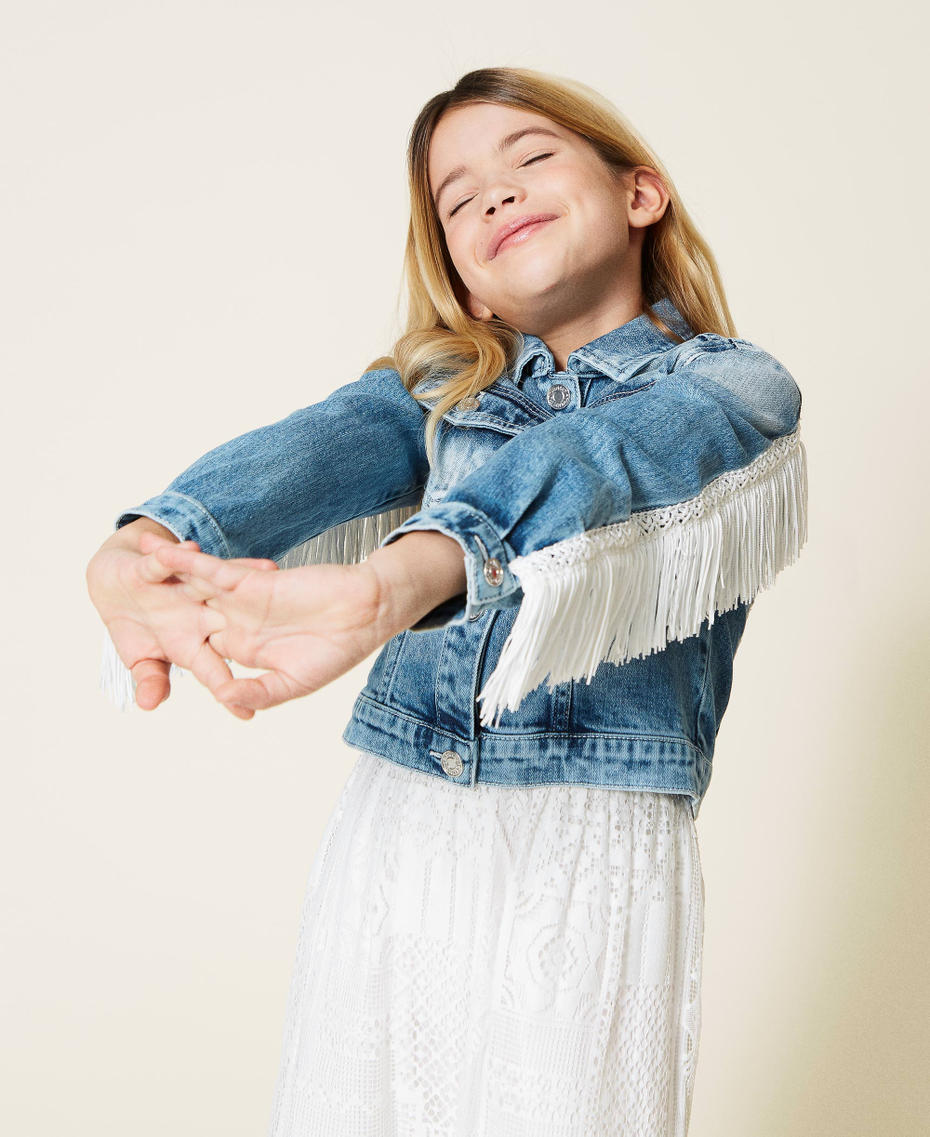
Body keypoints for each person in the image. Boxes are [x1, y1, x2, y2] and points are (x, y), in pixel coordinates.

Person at [85, 67, 808, 1137]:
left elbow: (599, 461)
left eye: (530, 159)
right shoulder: (437, 395)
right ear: (467, 284)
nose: (496, 197)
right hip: (399, 825)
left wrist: (400, 579)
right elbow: (306, 450)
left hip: (590, 838)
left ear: (639, 194)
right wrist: (145, 544)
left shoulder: (731, 388)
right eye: (460, 201)